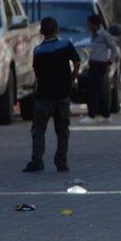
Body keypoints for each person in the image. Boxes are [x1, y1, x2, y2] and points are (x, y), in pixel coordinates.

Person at [23, 17, 80, 173]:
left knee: (38, 129)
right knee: (62, 130)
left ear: (41, 32)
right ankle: (61, 162)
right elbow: (77, 61)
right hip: (62, 95)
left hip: (43, 96)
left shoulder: (38, 51)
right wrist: (72, 78)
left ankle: (37, 161)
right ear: (57, 30)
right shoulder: (66, 45)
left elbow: (37, 72)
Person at [79, 14, 120, 124]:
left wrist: (110, 61)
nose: (88, 26)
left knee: (96, 90)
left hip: (101, 64)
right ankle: (103, 114)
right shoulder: (93, 35)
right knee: (95, 90)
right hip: (92, 63)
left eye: (89, 23)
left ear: (94, 24)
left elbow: (113, 48)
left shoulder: (104, 35)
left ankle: (92, 115)